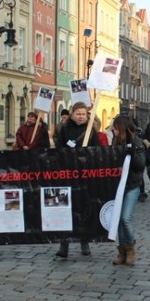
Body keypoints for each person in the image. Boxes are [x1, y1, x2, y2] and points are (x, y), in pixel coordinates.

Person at [55, 102, 101, 258]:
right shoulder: (65, 130)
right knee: (65, 208)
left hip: (84, 175)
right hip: (67, 173)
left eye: (83, 114)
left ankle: (84, 241)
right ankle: (64, 243)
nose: (81, 116)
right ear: (72, 114)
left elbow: (98, 151)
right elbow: (59, 148)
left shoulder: (91, 130)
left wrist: (87, 158)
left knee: (83, 208)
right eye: (78, 114)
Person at [109, 115, 146, 266]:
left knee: (125, 218)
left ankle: (130, 248)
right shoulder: (115, 141)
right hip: (118, 185)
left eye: (115, 127)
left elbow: (141, 165)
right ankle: (121, 251)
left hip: (132, 185)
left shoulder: (136, 141)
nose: (113, 129)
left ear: (122, 127)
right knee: (117, 220)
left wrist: (131, 154)